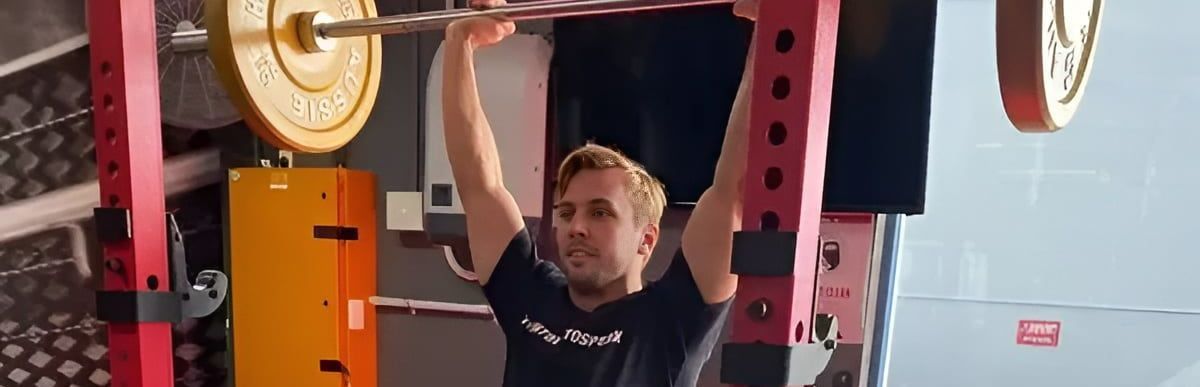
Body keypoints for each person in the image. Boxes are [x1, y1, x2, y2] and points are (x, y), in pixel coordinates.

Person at [440, 0, 759, 385]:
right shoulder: (531, 297)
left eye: (600, 212)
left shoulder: (673, 320)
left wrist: (771, 34)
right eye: (566, 212)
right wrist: (459, 42)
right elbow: (478, 183)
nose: (576, 227)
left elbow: (733, 192)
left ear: (646, 239)